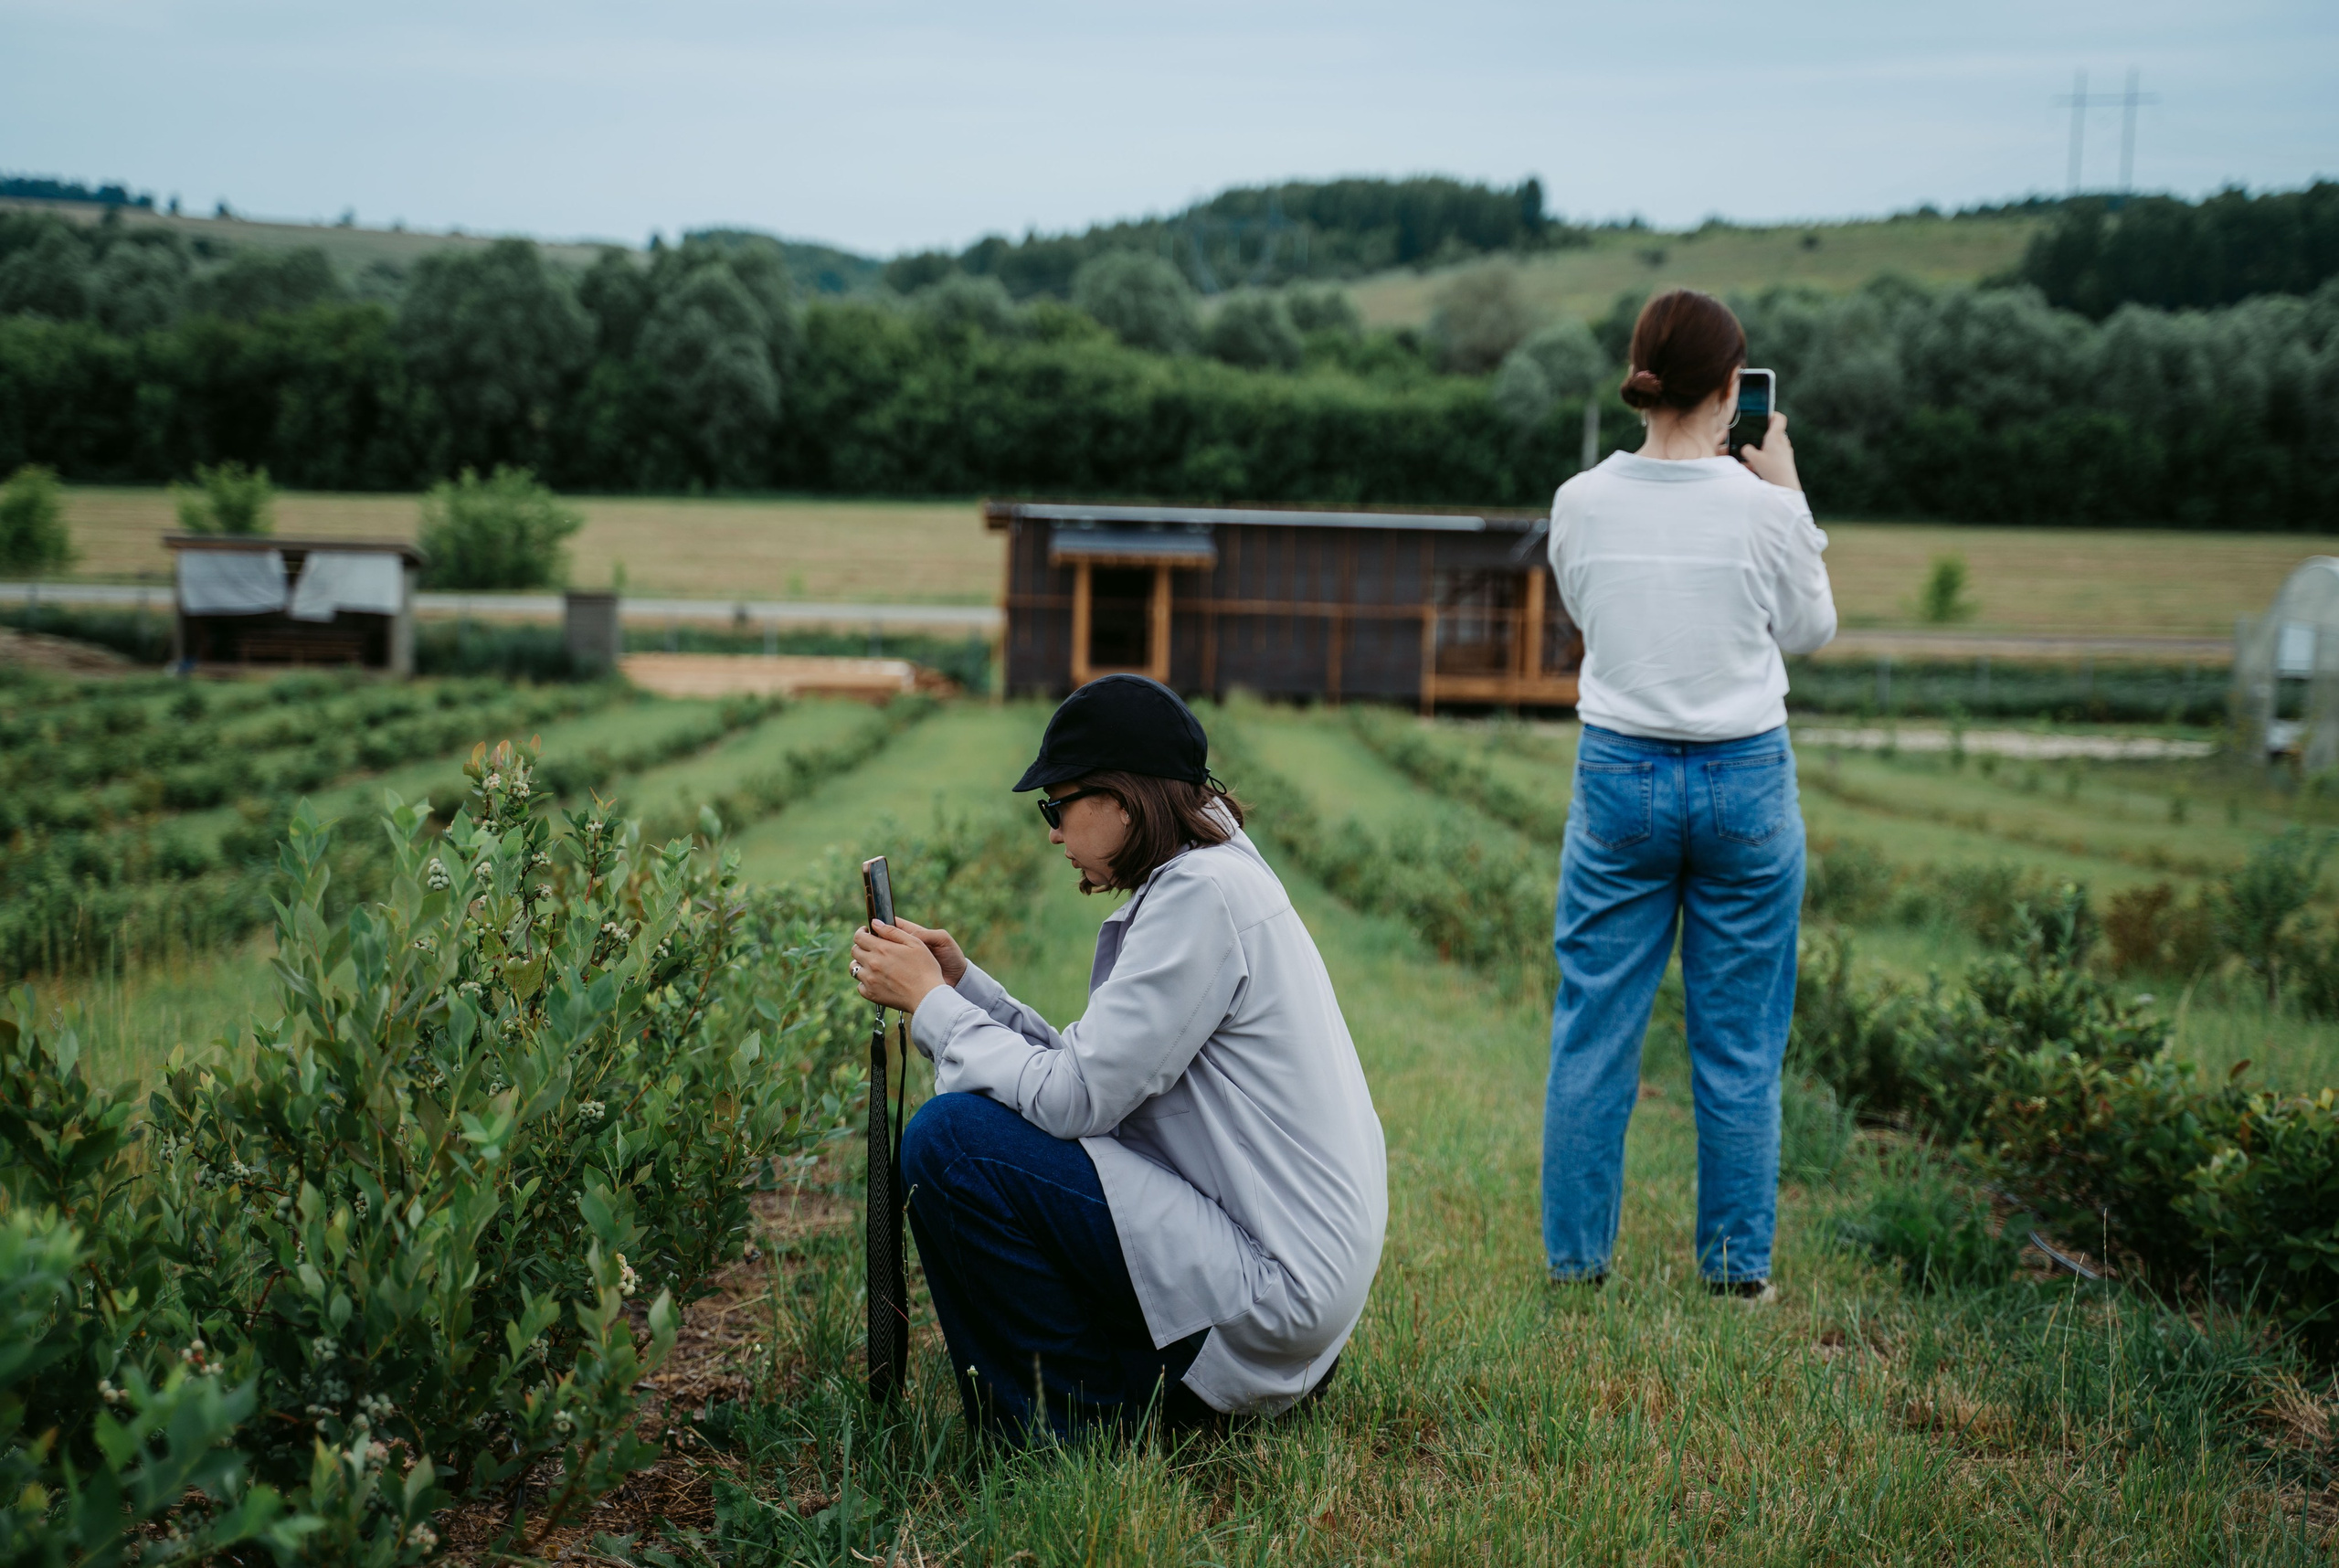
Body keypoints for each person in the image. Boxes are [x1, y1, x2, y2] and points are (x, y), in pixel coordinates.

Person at [849, 674, 1387, 1443]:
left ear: (1123, 800)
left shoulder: (1201, 897)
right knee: (984, 1133)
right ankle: (1113, 1384)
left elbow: (1073, 1099)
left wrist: (932, 1006)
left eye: (1057, 807)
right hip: (1291, 1284)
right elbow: (1098, 1074)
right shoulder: (1220, 876)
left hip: (1272, 1298)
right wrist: (964, 988)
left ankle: (1069, 1428)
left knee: (951, 1142)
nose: (1053, 835)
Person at [1540, 288, 1836, 1299]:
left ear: (1644, 377)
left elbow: (1584, 609)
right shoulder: (1764, 509)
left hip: (1619, 770)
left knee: (1593, 1032)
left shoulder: (1580, 500)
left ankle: (1577, 1266)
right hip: (1744, 775)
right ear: (1732, 388)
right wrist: (1787, 492)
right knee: (1739, 1042)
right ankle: (1735, 1273)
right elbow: (1811, 631)